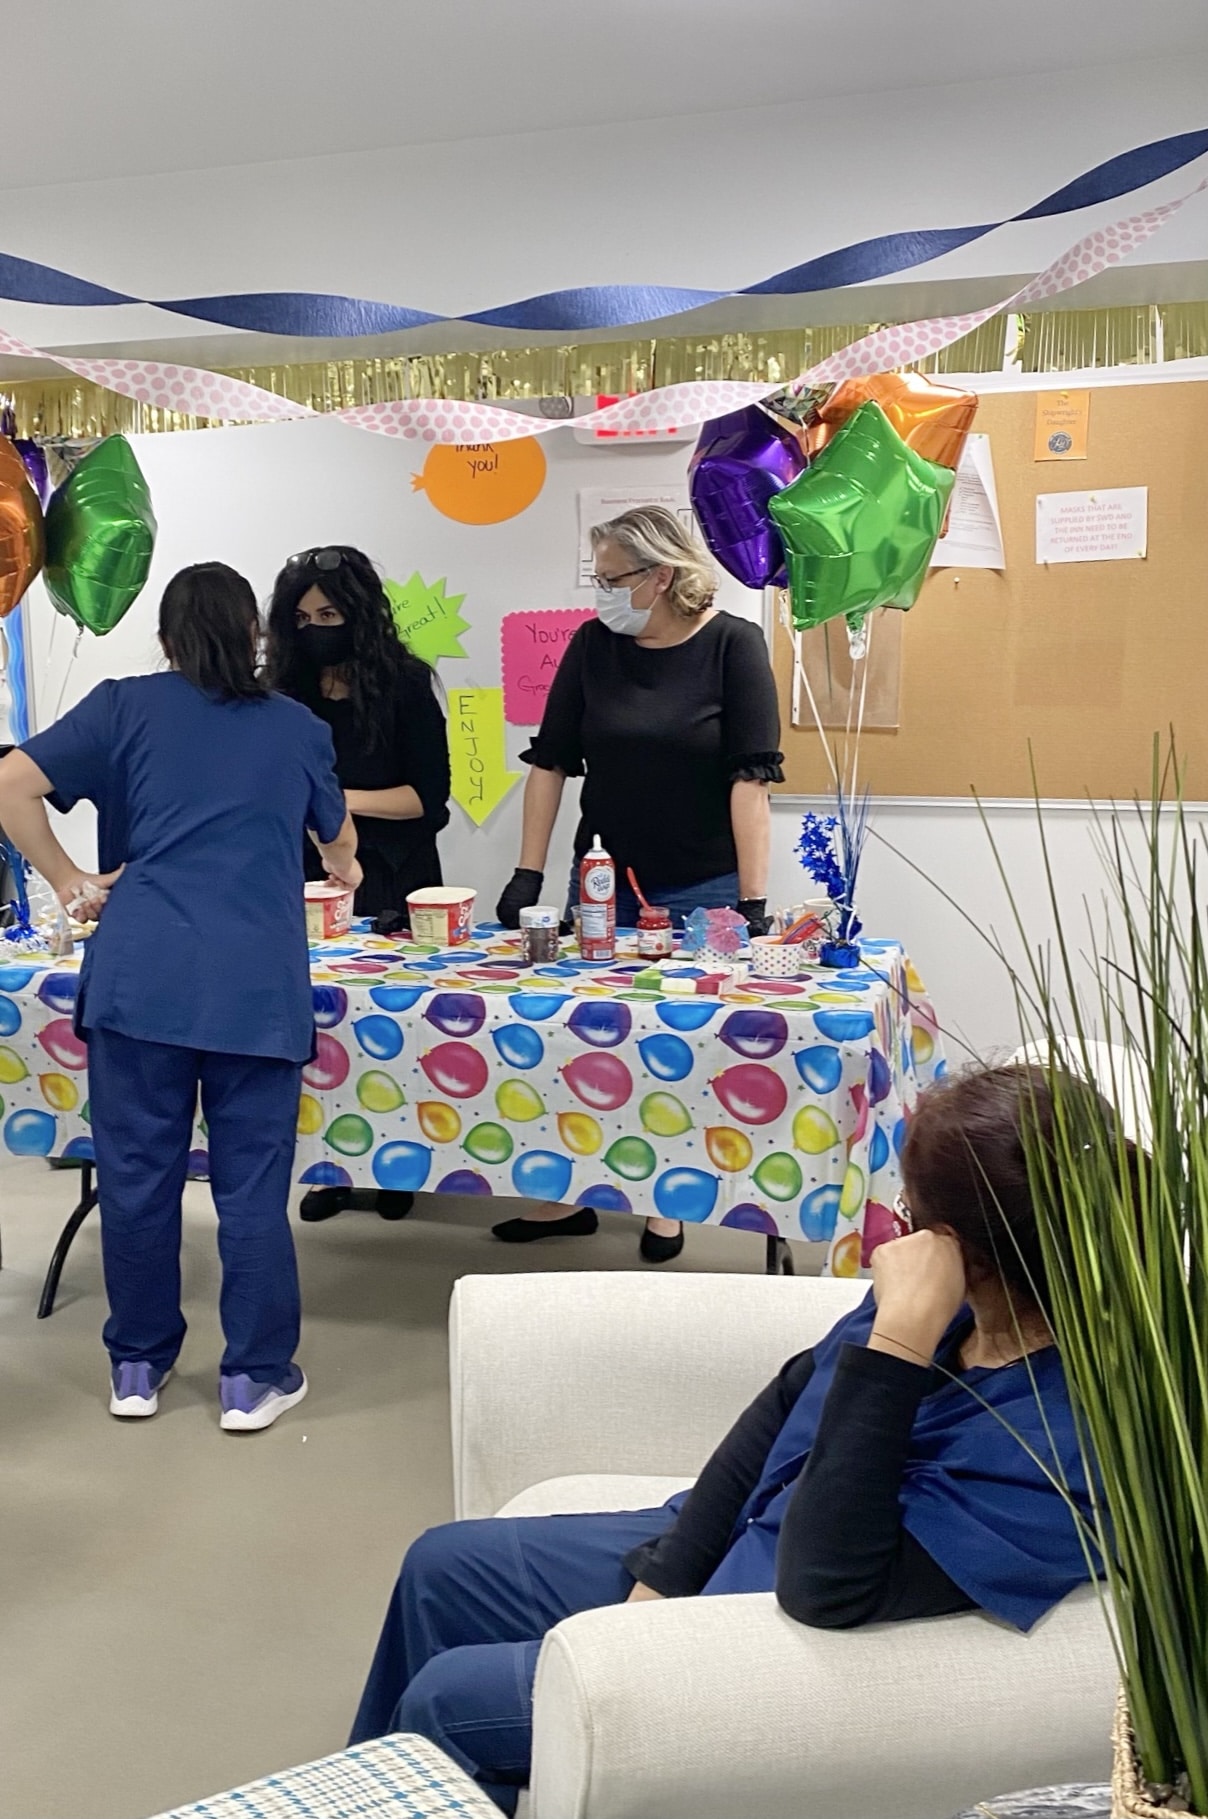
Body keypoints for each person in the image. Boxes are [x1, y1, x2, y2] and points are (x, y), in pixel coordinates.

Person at [349, 1063, 1106, 1813]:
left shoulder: (1069, 1436)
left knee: (449, 1703)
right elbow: (788, 1402)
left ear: (962, 1250)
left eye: (910, 1217)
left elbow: (827, 1583)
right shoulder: (968, 1308)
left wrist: (899, 1348)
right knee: (439, 1567)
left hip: (761, 1630)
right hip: (735, 1539)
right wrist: (667, 1573)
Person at [0, 563, 360, 1431]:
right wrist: (341, 867)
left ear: (167, 639)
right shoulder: (296, 728)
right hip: (253, 989)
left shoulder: (123, 707)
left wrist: (73, 881)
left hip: (140, 982)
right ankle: (254, 1378)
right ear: (256, 636)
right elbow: (338, 840)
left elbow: (10, 782)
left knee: (135, 1182)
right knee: (249, 1191)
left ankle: (136, 1366)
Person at [493, 506, 783, 1262]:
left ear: (660, 578)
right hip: (601, 884)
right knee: (572, 1038)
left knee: (685, 1047)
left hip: (708, 890)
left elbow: (750, 783)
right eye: (597, 578)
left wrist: (751, 903)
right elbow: (550, 762)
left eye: (613, 578)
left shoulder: (734, 645)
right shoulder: (593, 647)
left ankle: (667, 1200)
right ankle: (571, 1194)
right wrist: (527, 872)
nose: (601, 594)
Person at [266, 545, 451, 1225]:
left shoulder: (403, 683)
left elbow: (428, 800)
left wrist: (335, 800)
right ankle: (333, 1165)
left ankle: (400, 1166)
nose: (316, 628)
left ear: (360, 613)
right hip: (305, 884)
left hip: (395, 886)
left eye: (330, 613)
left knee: (396, 1033)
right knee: (319, 1034)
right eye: (303, 617)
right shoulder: (282, 693)